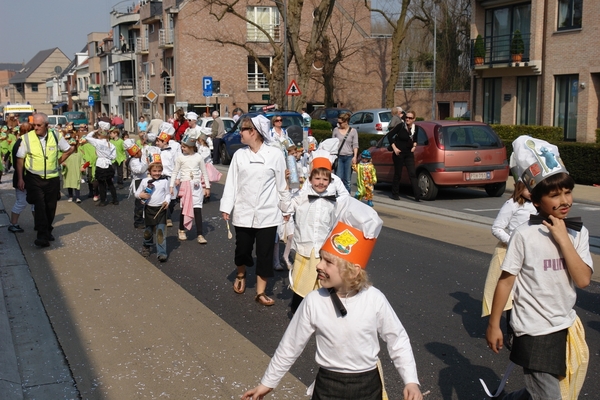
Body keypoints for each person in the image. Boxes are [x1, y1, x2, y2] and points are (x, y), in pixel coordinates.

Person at [241, 199, 423, 400]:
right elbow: (290, 345)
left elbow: (397, 339)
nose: (318, 266)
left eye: (328, 262)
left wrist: (411, 381)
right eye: (320, 258)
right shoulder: (314, 301)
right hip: (327, 386)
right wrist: (268, 383)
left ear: (353, 272)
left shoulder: (374, 299)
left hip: (368, 386)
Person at [485, 136, 593, 400]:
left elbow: (583, 280)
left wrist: (563, 240)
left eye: (568, 192)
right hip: (531, 328)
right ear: (536, 201)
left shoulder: (578, 233)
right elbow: (506, 280)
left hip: (563, 325)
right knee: (549, 396)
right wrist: (494, 323)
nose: (565, 200)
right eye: (555, 195)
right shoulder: (524, 235)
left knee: (546, 391)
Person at [219, 115, 288, 306]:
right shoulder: (240, 155)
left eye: (243, 129)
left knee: (264, 253)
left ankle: (260, 292)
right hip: (243, 211)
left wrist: (286, 209)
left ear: (254, 132)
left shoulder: (274, 155)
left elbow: (282, 185)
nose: (240, 132)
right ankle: (241, 274)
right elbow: (232, 182)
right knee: (242, 250)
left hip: (268, 213)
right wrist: (227, 206)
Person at [15, 113, 75, 247]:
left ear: (46, 126)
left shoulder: (56, 136)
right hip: (34, 178)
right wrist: (20, 178)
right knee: (40, 206)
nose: (35, 128)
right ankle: (41, 236)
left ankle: (47, 230)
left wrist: (58, 162)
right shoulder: (27, 138)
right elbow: (20, 159)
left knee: (50, 207)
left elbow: (68, 150)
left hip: (52, 178)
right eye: (33, 125)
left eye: (38, 125)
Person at [481, 178, 536, 323]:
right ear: (518, 187)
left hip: (533, 254)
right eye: (527, 189)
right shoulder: (512, 205)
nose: (531, 192)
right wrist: (513, 241)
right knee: (512, 293)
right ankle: (511, 328)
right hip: (514, 253)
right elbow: (497, 228)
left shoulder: (540, 205)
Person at [170, 133, 210, 244]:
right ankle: (181, 230)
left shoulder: (199, 157)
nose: (182, 148)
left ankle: (200, 234)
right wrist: (171, 186)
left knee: (197, 210)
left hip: (197, 187)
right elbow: (175, 172)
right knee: (184, 209)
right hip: (185, 186)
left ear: (191, 147)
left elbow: (204, 172)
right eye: (182, 146)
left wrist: (207, 187)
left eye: (184, 146)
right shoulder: (180, 158)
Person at [135, 155, 170, 262]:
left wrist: (167, 201)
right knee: (148, 232)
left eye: (159, 171)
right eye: (154, 171)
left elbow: (168, 194)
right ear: (150, 171)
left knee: (160, 232)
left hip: (161, 209)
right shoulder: (145, 181)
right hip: (149, 209)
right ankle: (146, 245)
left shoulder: (164, 181)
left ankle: (161, 253)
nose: (157, 173)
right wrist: (141, 195)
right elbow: (136, 194)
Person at [388, 109, 421, 202]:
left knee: (412, 173)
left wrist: (414, 146)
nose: (408, 119)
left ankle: (417, 195)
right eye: (407, 117)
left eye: (410, 118)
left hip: (409, 153)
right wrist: (395, 148)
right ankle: (395, 194)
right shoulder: (400, 126)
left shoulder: (416, 128)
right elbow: (389, 136)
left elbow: (415, 140)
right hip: (399, 153)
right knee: (398, 174)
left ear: (414, 119)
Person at [7, 123, 33, 233]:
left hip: (25, 177)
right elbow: (19, 163)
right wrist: (20, 178)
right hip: (23, 177)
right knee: (22, 202)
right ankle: (13, 223)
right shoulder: (22, 143)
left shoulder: (21, 141)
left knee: (34, 202)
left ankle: (39, 223)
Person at [86, 122, 118, 206]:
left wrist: (95, 130)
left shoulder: (97, 142)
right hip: (108, 164)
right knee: (110, 183)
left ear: (99, 135)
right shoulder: (111, 145)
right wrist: (108, 157)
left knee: (101, 184)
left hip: (100, 164)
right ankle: (115, 199)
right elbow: (114, 156)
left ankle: (103, 201)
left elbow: (87, 137)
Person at [331, 112, 358, 193]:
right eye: (338, 123)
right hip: (339, 157)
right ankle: (338, 196)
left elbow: (355, 145)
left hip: (349, 157)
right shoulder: (336, 130)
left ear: (346, 122)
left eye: (340, 123)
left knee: (347, 180)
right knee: (338, 178)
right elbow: (332, 143)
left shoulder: (353, 131)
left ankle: (347, 197)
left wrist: (355, 156)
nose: (338, 124)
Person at [124, 139, 148, 229]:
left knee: (144, 201)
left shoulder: (138, 159)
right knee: (140, 203)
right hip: (138, 182)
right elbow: (139, 170)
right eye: (140, 151)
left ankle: (144, 219)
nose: (141, 153)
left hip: (143, 180)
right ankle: (138, 221)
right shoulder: (133, 161)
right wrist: (147, 165)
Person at [61, 137, 85, 203]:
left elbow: (82, 162)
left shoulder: (78, 155)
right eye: (70, 145)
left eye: (73, 146)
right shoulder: (65, 155)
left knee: (76, 184)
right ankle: (70, 196)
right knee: (69, 184)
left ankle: (77, 197)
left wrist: (82, 167)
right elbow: (61, 161)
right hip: (68, 171)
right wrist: (62, 164)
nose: (71, 147)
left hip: (76, 171)